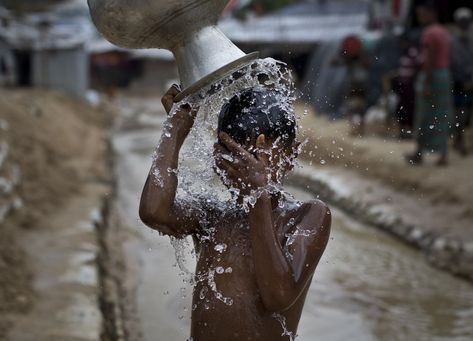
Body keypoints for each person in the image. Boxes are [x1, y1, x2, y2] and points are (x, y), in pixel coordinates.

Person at [139, 85, 331, 341]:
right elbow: (154, 212)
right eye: (233, 151)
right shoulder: (212, 216)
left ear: (291, 155)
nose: (245, 164)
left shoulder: (307, 216)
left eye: (258, 155)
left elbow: (278, 297)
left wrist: (259, 197)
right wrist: (174, 129)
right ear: (218, 156)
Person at [406, 1, 452, 166]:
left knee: (424, 116)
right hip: (444, 75)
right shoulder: (443, 31)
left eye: (423, 14)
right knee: (442, 115)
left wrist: (427, 83)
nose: (421, 18)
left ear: (431, 14)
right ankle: (443, 154)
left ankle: (419, 153)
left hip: (432, 76)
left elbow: (430, 57)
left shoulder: (429, 33)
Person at [450, 7, 473, 156]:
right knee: (459, 112)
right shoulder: (452, 40)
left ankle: (463, 140)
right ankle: (459, 140)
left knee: (467, 114)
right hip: (458, 82)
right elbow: (452, 62)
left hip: (470, 81)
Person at [392, 33, 419, 138]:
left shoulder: (413, 52)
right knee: (401, 108)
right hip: (402, 85)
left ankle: (410, 131)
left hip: (409, 85)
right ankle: (402, 130)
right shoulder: (403, 54)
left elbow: (418, 66)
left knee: (410, 108)